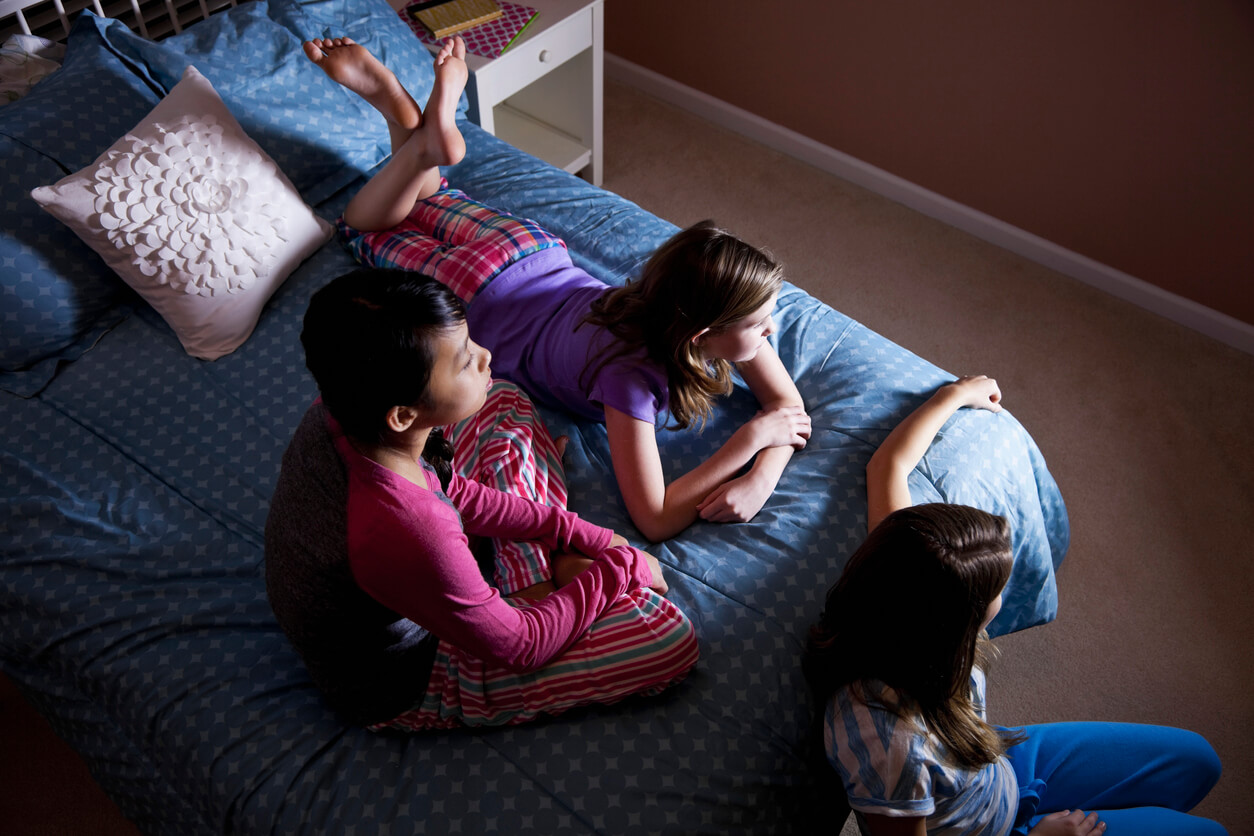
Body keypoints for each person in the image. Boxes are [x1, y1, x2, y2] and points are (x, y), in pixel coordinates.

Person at [264, 39, 698, 730]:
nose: (488, 353)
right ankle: (522, 587)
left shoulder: (348, 413)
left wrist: (578, 531)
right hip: (404, 677)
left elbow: (453, 490)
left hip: (414, 556)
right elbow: (519, 646)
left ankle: (523, 579)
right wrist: (617, 571)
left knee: (506, 403)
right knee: (668, 639)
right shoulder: (406, 527)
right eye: (465, 357)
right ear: (405, 413)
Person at [302, 35, 811, 543]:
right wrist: (749, 441)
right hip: (480, 295)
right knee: (365, 226)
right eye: (758, 321)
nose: (770, 328)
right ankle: (418, 135)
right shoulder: (630, 378)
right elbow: (654, 517)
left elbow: (789, 412)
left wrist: (762, 476)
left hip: (530, 250)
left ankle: (407, 118)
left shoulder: (675, 301)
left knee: (427, 196)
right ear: (702, 333)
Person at [803, 376, 1225, 835]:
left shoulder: (899, 574)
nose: (1003, 593)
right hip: (992, 828)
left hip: (997, 762)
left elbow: (888, 466)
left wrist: (956, 395)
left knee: (1198, 762)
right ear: (949, 624)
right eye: (995, 590)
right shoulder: (890, 746)